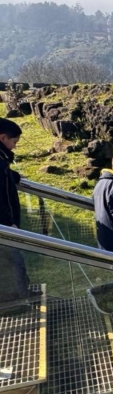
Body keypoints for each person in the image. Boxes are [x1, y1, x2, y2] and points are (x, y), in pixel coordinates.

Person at [0, 118, 30, 308]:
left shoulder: (2, 160)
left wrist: (13, 176)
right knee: (11, 260)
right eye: (14, 142)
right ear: (3, 138)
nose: (15, 147)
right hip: (3, 226)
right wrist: (8, 222)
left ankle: (20, 293)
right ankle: (15, 302)